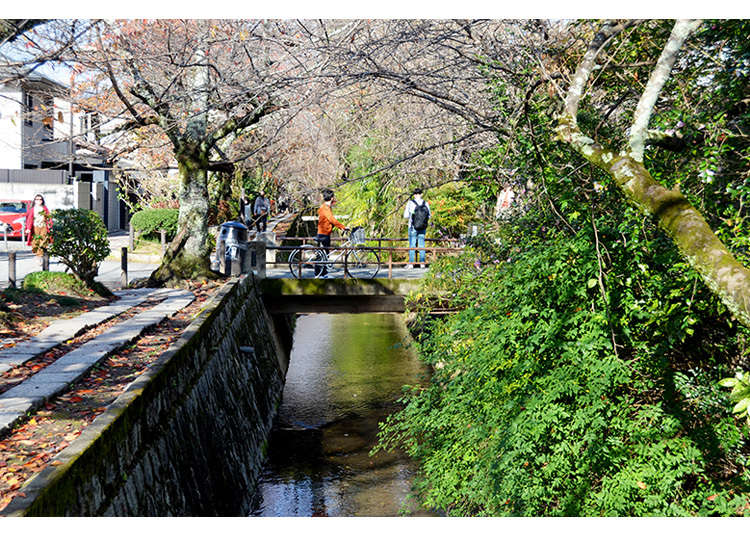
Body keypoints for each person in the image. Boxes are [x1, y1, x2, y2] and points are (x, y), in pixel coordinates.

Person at [316, 188, 347, 277]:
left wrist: (333, 201)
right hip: (323, 233)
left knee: (325, 255)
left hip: (324, 233)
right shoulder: (325, 208)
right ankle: (319, 274)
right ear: (332, 197)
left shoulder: (325, 207)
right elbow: (331, 219)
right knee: (322, 256)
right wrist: (342, 227)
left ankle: (323, 273)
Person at [403, 188, 431, 269]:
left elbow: (406, 216)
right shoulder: (425, 203)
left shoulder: (410, 203)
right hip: (422, 227)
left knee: (412, 245)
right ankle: (422, 264)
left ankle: (411, 264)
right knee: (422, 244)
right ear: (421, 194)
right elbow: (429, 216)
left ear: (414, 195)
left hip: (412, 227)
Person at [25, 193, 52, 265]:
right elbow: (29, 219)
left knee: (43, 241)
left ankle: (41, 256)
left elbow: (49, 218)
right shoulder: (32, 209)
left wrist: (50, 226)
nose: (39, 201)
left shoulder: (45, 209)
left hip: (43, 227)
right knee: (35, 242)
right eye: (37, 199)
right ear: (35, 201)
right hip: (35, 227)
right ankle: (38, 256)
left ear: (42, 201)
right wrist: (28, 228)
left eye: (40, 199)